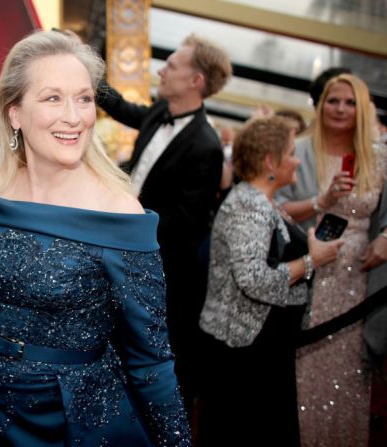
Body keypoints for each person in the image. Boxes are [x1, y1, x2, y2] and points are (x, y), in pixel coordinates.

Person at [0, 30, 190, 446]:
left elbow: (151, 359)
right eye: (53, 98)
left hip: (70, 419)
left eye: (84, 98)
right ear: (15, 113)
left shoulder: (118, 213)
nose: (74, 117)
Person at [97, 33, 233, 415]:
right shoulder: (159, 112)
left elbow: (183, 225)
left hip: (155, 268)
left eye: (171, 65)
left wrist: (126, 222)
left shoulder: (206, 146)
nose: (162, 69)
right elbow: (123, 108)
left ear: (196, 81)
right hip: (120, 243)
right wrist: (88, 75)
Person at [197, 116, 342, 446]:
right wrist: (311, 261)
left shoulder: (260, 201)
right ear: (270, 161)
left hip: (260, 346)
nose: (298, 160)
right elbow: (253, 280)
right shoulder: (249, 206)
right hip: (244, 351)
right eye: (291, 152)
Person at [276, 74, 387, 446]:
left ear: (362, 109)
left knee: (349, 371)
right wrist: (319, 201)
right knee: (300, 371)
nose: (341, 109)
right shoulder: (299, 149)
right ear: (320, 105)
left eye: (350, 102)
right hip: (304, 270)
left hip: (358, 281)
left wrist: (386, 237)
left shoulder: (380, 155)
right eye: (333, 100)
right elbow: (273, 209)